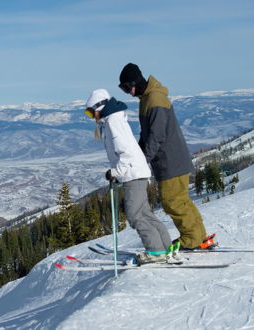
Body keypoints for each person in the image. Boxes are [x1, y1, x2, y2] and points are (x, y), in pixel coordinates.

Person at [118, 63, 215, 250]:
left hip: (170, 161)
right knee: (181, 200)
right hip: (171, 160)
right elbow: (147, 135)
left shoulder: (154, 99)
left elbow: (156, 136)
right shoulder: (148, 98)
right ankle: (198, 235)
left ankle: (191, 238)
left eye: (127, 88)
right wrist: (136, 153)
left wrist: (142, 159)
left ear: (136, 82)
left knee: (173, 202)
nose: (128, 93)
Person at [84, 88, 176, 263]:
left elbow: (125, 152)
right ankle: (165, 246)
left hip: (132, 173)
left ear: (100, 106)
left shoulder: (113, 123)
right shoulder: (114, 119)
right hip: (136, 171)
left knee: (135, 215)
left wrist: (115, 172)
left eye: (91, 111)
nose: (91, 116)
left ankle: (156, 252)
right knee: (145, 213)